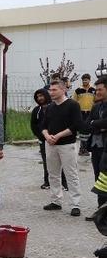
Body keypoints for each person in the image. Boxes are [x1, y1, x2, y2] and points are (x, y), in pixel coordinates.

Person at [41, 78, 84, 216]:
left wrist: (58, 135)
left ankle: (75, 204)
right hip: (51, 145)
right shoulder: (49, 107)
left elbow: (76, 125)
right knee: (53, 174)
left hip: (67, 145)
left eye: (54, 90)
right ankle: (56, 201)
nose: (51, 93)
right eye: (50, 90)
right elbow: (43, 126)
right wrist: (47, 136)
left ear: (63, 89)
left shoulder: (73, 105)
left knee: (71, 174)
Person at [31, 88, 67, 190]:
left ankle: (64, 183)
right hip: (44, 140)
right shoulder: (36, 110)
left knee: (62, 162)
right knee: (47, 161)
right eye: (37, 96)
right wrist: (42, 137)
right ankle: (47, 182)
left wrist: (56, 136)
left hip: (58, 139)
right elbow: (34, 125)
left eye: (41, 95)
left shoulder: (55, 107)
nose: (40, 98)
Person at [86, 78, 107, 218]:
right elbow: (86, 124)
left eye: (100, 89)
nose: (97, 92)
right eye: (96, 89)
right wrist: (98, 124)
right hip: (96, 146)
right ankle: (101, 211)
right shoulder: (96, 107)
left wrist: (95, 123)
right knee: (99, 179)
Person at [74, 73, 96, 155]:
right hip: (81, 113)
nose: (85, 81)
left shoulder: (93, 90)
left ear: (89, 80)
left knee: (88, 130)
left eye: (86, 80)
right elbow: (74, 102)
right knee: (82, 130)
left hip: (90, 113)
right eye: (83, 80)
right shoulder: (78, 90)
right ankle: (82, 149)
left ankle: (86, 148)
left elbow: (96, 101)